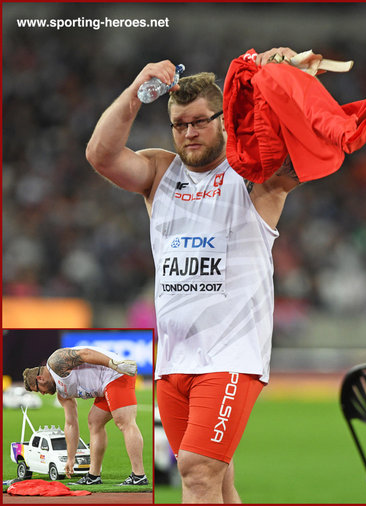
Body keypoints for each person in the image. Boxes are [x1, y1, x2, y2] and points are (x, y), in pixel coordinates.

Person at [85, 47, 316, 503]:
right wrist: (135, 92)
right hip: (174, 360)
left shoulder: (254, 172)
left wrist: (284, 80)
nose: (189, 132)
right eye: (179, 124)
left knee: (195, 474)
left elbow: (306, 148)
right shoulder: (160, 172)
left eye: (200, 121)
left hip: (230, 354)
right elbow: (100, 155)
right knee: (219, 482)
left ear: (224, 120)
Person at [23, 345, 148, 486]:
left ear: (40, 379)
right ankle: (93, 475)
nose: (43, 394)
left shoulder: (55, 362)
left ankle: (139, 475)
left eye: (39, 390)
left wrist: (114, 364)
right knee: (94, 421)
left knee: (124, 422)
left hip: (115, 374)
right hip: (104, 385)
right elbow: (71, 423)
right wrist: (71, 458)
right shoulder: (62, 394)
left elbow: (85, 353)